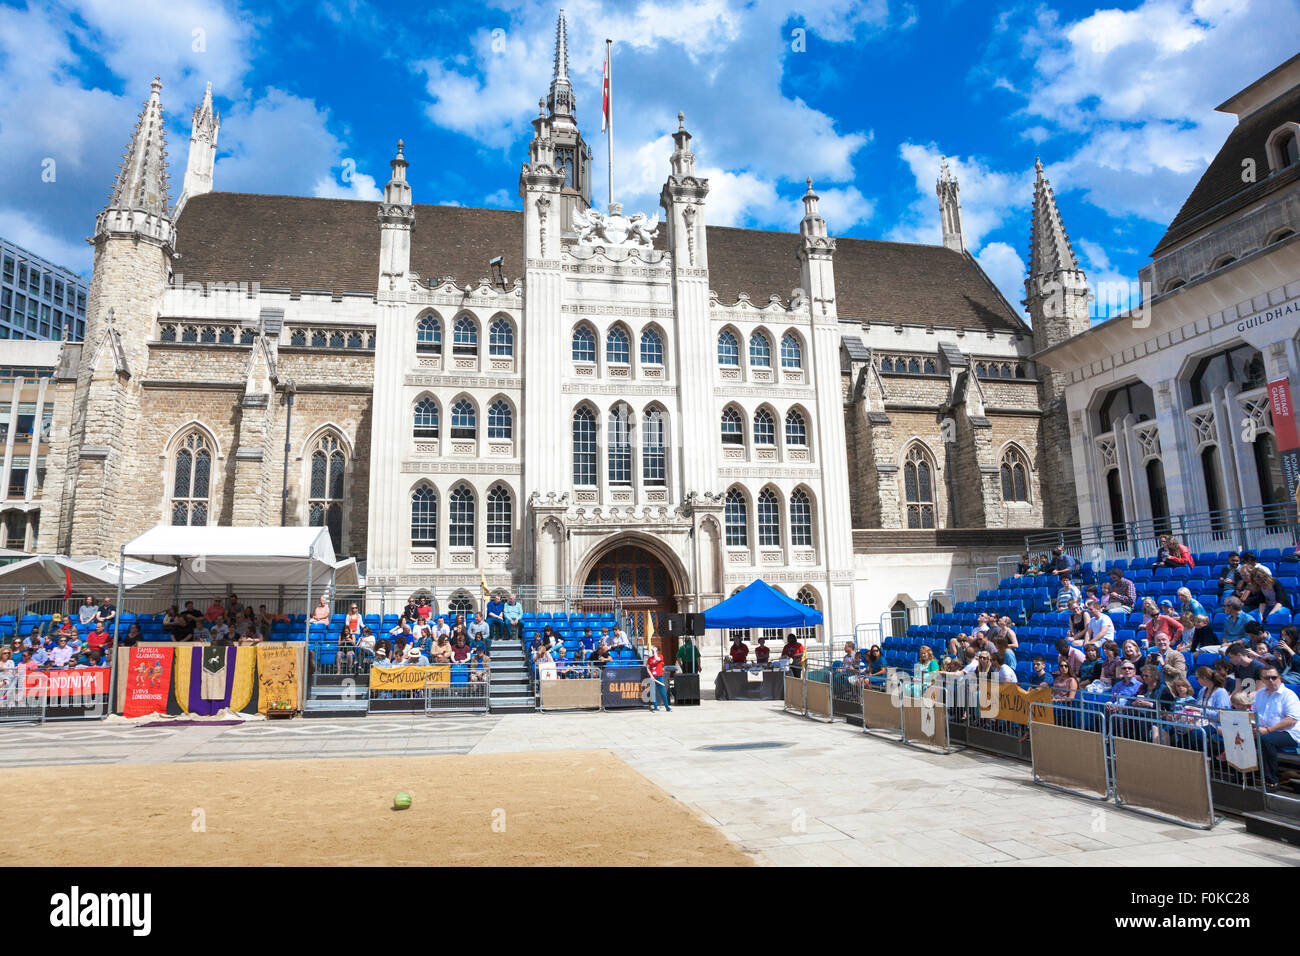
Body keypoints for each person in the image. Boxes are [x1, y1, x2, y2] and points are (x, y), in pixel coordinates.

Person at [1251, 664, 1300, 788]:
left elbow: (1291, 720)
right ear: (1262, 680)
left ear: (1279, 677)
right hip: (1265, 730)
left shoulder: (1289, 695)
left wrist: (1267, 730)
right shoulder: (1260, 694)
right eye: (1267, 678)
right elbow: (1254, 715)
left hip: (1289, 732)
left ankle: (1272, 781)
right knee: (1239, 735)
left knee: (1266, 740)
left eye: (1274, 677)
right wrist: (1252, 727)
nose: (1271, 680)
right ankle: (1243, 775)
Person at [647, 645, 670, 712]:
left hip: (659, 677)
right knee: (653, 693)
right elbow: (648, 668)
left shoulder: (660, 656)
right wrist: (651, 675)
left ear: (657, 651)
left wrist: (655, 652)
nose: (652, 651)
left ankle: (667, 707)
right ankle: (655, 707)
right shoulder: (649, 659)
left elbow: (657, 659)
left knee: (662, 692)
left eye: (654, 650)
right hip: (652, 678)